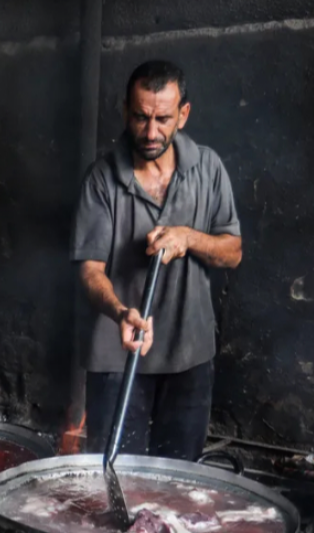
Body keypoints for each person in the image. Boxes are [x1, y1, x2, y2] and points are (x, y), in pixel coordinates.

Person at [72, 60, 242, 461]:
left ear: (183, 114)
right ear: (126, 111)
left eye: (163, 118)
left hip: (190, 353)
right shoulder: (101, 179)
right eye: (141, 117)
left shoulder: (208, 168)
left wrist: (188, 237)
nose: (151, 132)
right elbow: (89, 271)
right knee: (115, 478)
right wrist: (120, 312)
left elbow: (232, 251)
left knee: (178, 481)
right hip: (118, 355)